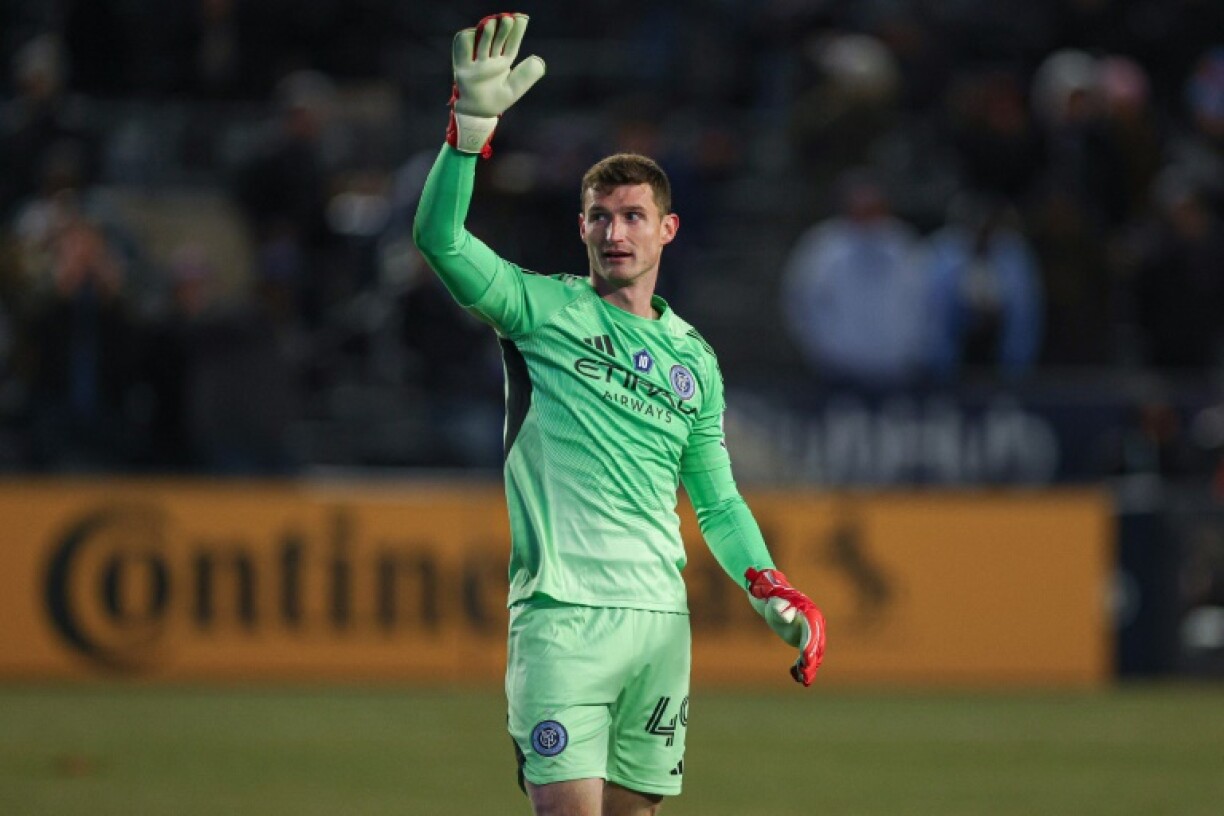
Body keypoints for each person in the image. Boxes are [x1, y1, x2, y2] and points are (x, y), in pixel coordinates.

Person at [413, 14, 825, 816]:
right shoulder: (538, 310)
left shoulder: (694, 359)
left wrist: (770, 586)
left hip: (660, 626)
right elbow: (440, 241)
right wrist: (468, 136)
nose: (615, 232)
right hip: (561, 620)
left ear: (668, 229)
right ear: (581, 228)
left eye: (634, 216)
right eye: (600, 216)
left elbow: (717, 501)